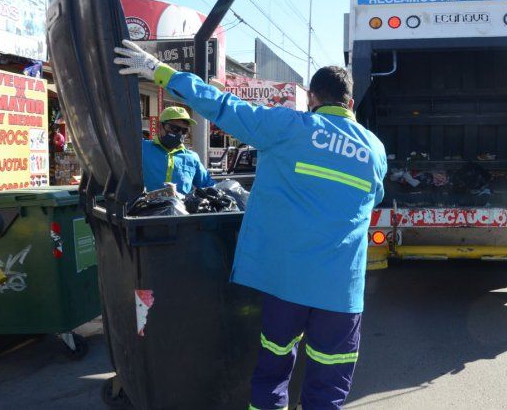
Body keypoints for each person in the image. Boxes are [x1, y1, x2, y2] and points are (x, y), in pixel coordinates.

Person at [115, 40, 387, 409]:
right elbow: (373, 197)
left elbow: (223, 105)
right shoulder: (374, 149)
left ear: (312, 98)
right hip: (342, 291)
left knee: (273, 373)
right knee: (329, 388)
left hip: (286, 284)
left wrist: (159, 71)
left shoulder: (289, 127)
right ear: (350, 104)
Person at [142, 105, 215, 194]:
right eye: (175, 128)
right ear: (159, 126)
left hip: (179, 203)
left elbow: (209, 186)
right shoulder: (142, 148)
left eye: (184, 131)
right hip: (145, 203)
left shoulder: (192, 157)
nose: (180, 133)